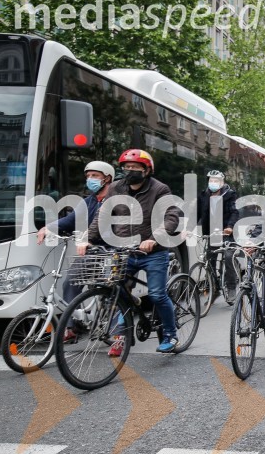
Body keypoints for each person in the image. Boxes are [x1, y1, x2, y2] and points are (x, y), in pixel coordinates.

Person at [79, 149, 180, 354]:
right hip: (124, 250)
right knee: (116, 293)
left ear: (147, 170)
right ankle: (121, 337)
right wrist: (87, 239)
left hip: (153, 251)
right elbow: (103, 215)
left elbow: (171, 216)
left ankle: (170, 333)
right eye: (127, 167)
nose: (130, 170)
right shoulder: (116, 188)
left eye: (135, 167)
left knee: (157, 295)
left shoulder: (160, 189)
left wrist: (154, 238)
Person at [37, 160, 115, 343]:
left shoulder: (117, 200)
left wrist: (88, 238)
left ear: (107, 178)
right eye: (88, 176)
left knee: (110, 289)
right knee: (70, 281)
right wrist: (48, 228)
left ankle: (116, 330)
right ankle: (72, 327)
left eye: (95, 176)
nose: (90, 179)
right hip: (91, 252)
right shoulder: (88, 201)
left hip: (113, 251)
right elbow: (70, 220)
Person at [196, 170, 240, 303]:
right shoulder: (203, 195)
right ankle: (214, 288)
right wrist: (186, 229)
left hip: (227, 232)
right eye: (211, 180)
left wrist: (230, 227)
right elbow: (196, 213)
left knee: (228, 256)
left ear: (222, 182)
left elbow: (234, 212)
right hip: (212, 233)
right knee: (209, 260)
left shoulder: (230, 195)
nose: (213, 183)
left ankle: (231, 287)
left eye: (216, 181)